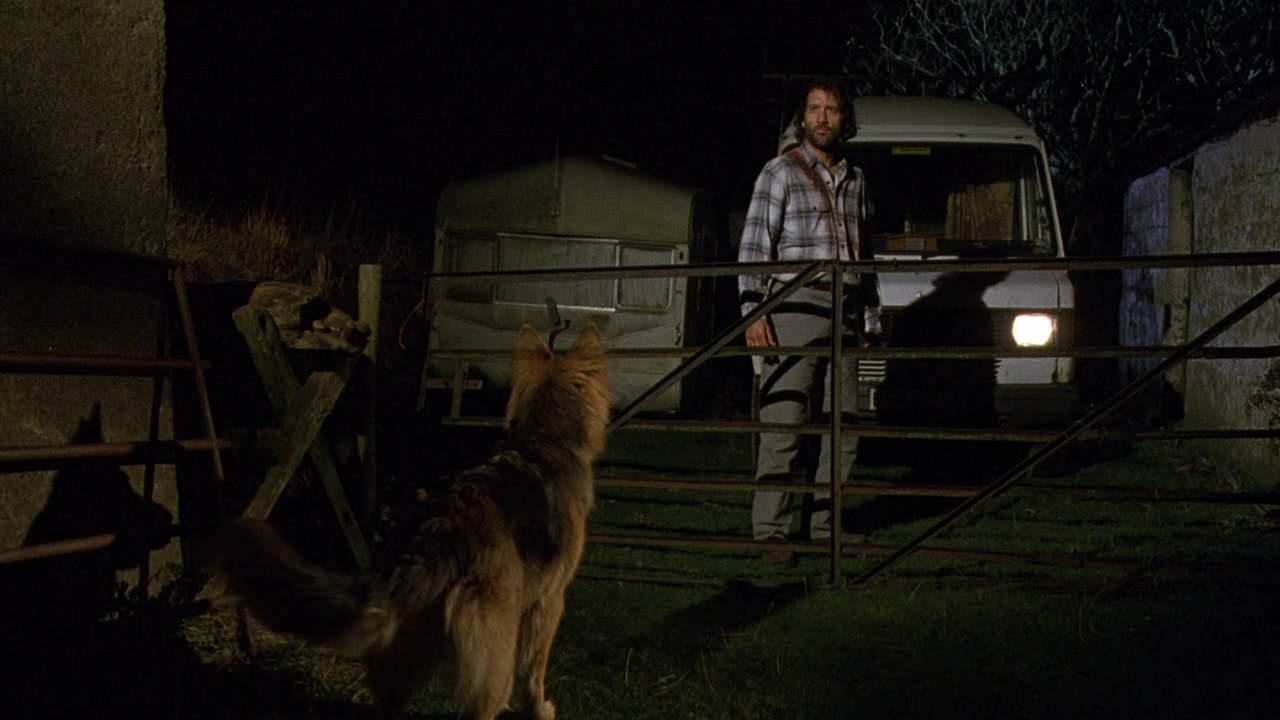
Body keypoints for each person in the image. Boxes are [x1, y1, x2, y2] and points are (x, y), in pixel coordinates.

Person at [737, 79, 881, 562]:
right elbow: (755, 244)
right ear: (802, 118)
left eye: (832, 109)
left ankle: (825, 527)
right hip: (794, 307)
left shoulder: (855, 179)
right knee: (784, 423)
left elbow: (864, 252)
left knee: (844, 427)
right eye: (815, 108)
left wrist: (870, 316)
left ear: (844, 119)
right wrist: (754, 312)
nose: (823, 117)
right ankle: (771, 533)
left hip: (845, 308)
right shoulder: (779, 172)